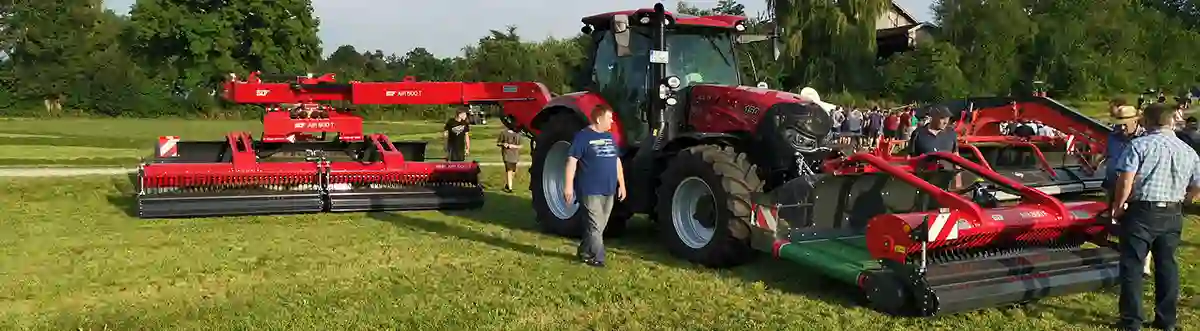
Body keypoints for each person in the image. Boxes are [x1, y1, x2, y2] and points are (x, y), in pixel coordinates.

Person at [1109, 103, 1199, 331]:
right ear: (1171, 122)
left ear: (1146, 122)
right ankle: (1166, 320)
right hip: (1172, 212)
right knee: (1167, 265)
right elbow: (1197, 185)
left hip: (1142, 212)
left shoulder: (1139, 145)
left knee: (1132, 265)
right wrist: (1185, 200)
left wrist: (1118, 206)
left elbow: (1125, 180)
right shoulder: (1187, 150)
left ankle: (1132, 321)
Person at [564, 105, 627, 268]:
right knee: (595, 225)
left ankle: (584, 251)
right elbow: (572, 161)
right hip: (589, 189)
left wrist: (622, 184)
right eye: (609, 118)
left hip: (609, 189)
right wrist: (568, 186)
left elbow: (617, 160)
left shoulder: (610, 137)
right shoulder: (583, 137)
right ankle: (598, 257)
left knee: (598, 226)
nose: (612, 121)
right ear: (599, 119)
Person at [496, 126, 523, 193]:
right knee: (509, 170)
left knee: (513, 171)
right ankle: (510, 188)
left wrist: (513, 146)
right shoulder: (503, 133)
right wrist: (503, 144)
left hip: (515, 155)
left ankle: (508, 185)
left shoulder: (518, 134)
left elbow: (521, 145)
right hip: (506, 154)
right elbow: (498, 143)